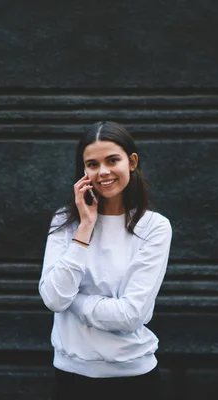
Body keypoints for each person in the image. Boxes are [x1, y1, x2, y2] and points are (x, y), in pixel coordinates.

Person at [38, 121, 172, 399]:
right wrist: (85, 227)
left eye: (113, 160)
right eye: (93, 164)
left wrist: (72, 301)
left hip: (134, 380)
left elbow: (129, 316)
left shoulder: (154, 227)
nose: (104, 172)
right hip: (70, 377)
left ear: (132, 162)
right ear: (83, 171)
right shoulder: (65, 222)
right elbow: (52, 299)